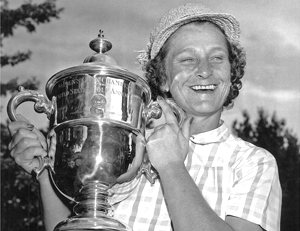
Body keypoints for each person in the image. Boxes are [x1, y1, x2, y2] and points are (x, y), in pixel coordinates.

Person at [8, 3, 282, 231]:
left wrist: (172, 166)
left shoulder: (253, 163)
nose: (204, 70)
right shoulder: (125, 146)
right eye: (187, 59)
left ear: (232, 72)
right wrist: (45, 171)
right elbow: (76, 225)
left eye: (217, 58)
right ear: (162, 78)